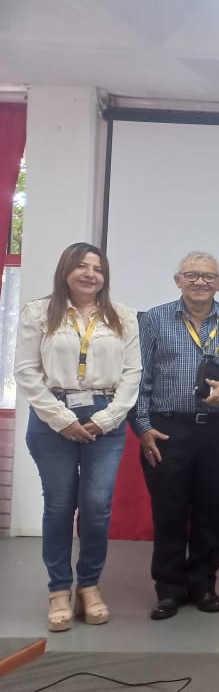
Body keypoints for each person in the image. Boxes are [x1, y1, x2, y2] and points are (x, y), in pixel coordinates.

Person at [15, 243, 141, 632]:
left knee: (97, 505)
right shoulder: (39, 312)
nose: (90, 274)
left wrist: (106, 419)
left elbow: (132, 374)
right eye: (82, 266)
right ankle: (58, 589)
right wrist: (61, 419)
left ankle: (88, 586)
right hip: (52, 415)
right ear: (65, 271)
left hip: (106, 417)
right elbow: (26, 370)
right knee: (58, 506)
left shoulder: (123, 316)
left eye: (97, 268)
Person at [134, 252, 219, 620]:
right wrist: (142, 427)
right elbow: (137, 375)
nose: (200, 282)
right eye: (191, 275)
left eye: (208, 276)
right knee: (168, 510)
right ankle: (169, 589)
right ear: (178, 280)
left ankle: (204, 585)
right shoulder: (155, 319)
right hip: (167, 429)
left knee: (209, 508)